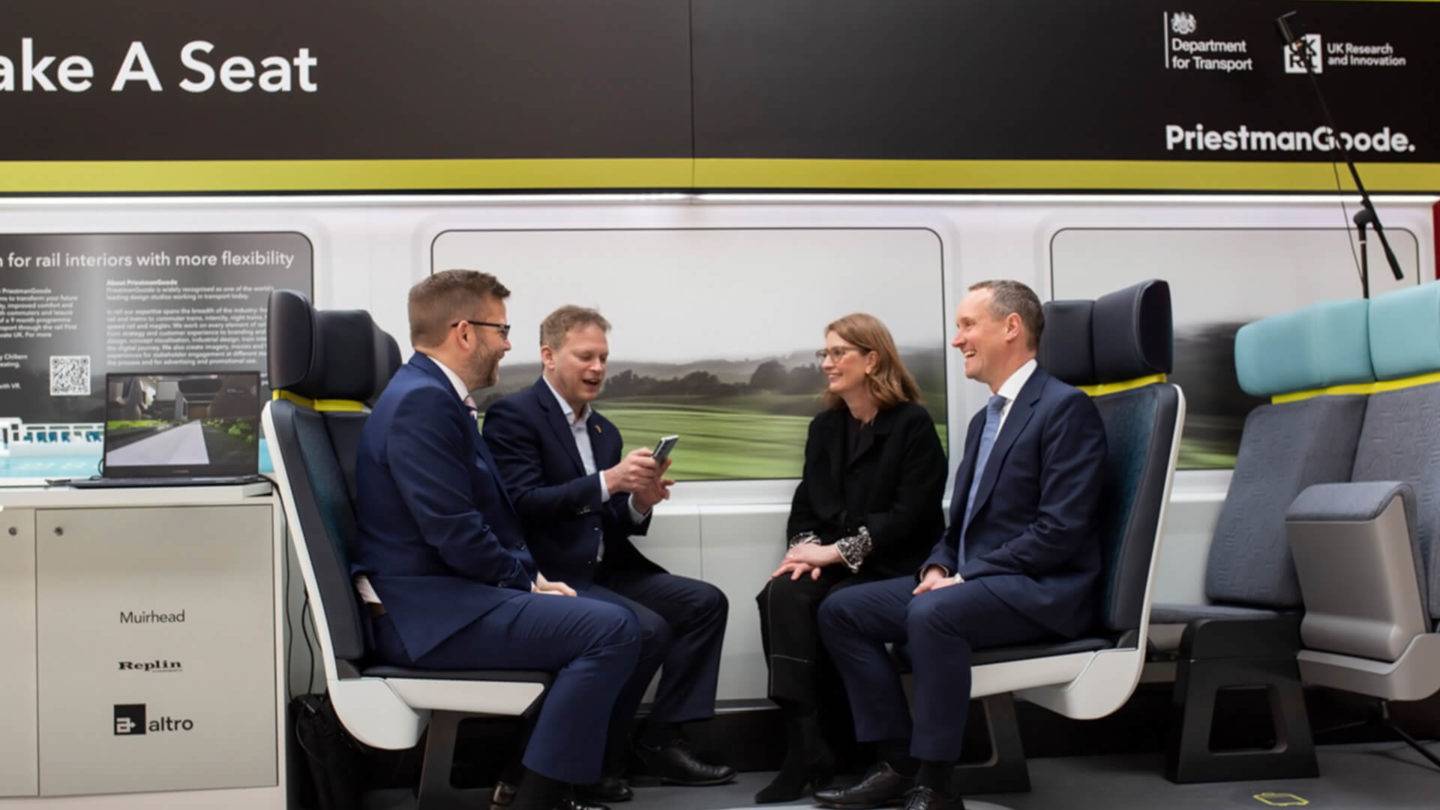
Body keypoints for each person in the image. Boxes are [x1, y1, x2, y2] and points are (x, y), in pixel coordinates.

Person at [352, 271, 641, 810]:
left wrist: (527, 579)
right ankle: (538, 797)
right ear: (465, 332)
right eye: (501, 330)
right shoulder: (423, 402)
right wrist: (526, 582)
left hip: (442, 599)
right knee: (613, 630)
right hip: (427, 614)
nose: (508, 344)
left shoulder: (432, 395)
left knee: (602, 620)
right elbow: (454, 530)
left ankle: (530, 786)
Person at [814, 280, 1107, 810]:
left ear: (1011, 327)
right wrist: (936, 566)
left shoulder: (1065, 409)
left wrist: (965, 577)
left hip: (1043, 588)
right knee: (841, 611)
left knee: (935, 615)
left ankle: (936, 781)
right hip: (974, 579)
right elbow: (961, 523)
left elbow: (1061, 532)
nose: (958, 340)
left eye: (968, 325)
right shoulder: (982, 421)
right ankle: (898, 761)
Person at [483, 305, 736, 802]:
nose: (598, 368)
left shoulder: (605, 431)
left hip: (607, 569)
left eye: (603, 357)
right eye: (585, 357)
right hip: (550, 574)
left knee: (705, 603)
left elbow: (613, 521)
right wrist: (608, 481)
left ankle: (661, 740)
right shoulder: (514, 417)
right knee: (646, 629)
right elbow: (522, 505)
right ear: (548, 356)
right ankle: (594, 761)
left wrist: (640, 502)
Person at [753, 313, 947, 804]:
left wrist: (836, 552)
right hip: (836, 557)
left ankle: (866, 752)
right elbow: (806, 501)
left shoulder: (912, 425)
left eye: (839, 352)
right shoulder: (826, 427)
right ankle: (805, 746)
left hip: (897, 562)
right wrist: (805, 552)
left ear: (872, 359)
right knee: (781, 593)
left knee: (832, 604)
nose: (827, 362)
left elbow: (907, 517)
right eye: (825, 353)